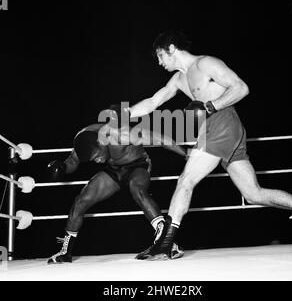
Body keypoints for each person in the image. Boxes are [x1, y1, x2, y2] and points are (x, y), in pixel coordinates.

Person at [128, 30, 292, 260]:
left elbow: (241, 88)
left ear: (172, 48)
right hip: (218, 129)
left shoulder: (206, 64)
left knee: (186, 180)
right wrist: (122, 114)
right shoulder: (179, 79)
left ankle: (165, 244)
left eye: (161, 55)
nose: (159, 62)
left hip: (222, 123)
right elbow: (153, 102)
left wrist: (211, 106)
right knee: (253, 194)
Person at [47, 109, 187, 264]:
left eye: (99, 156)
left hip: (137, 164)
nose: (98, 161)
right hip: (113, 170)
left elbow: (159, 138)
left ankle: (167, 243)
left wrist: (185, 153)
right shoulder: (83, 139)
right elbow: (72, 161)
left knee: (137, 188)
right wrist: (62, 167)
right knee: (81, 200)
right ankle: (65, 252)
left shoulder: (121, 134)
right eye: (94, 160)